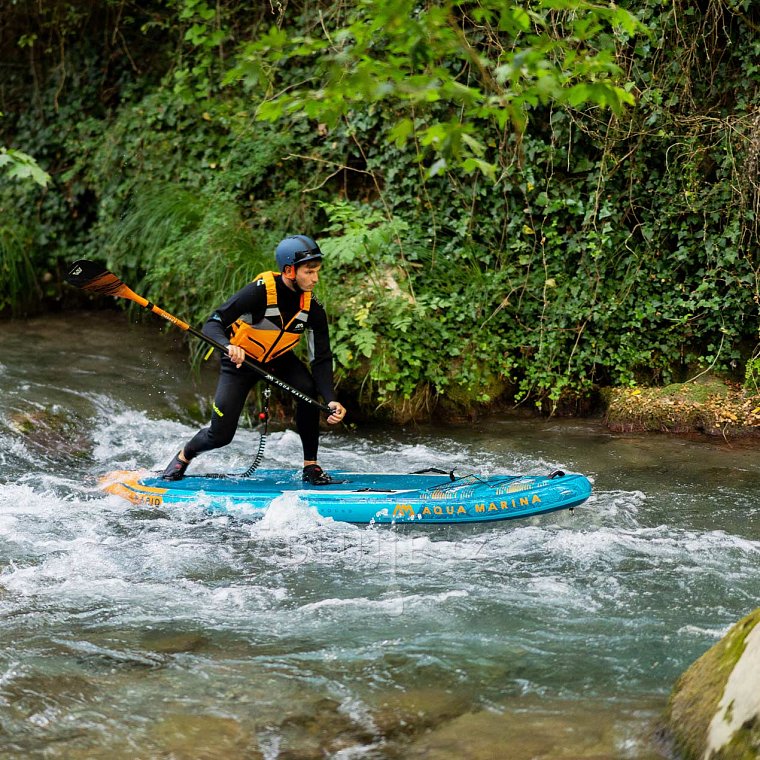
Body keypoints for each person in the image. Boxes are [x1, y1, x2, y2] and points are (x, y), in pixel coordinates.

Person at [161, 235, 346, 484]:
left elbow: (321, 359)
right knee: (221, 435)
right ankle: (184, 456)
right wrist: (228, 347)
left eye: (317, 271)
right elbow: (213, 323)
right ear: (289, 270)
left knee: (309, 392)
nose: (315, 279)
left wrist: (331, 399)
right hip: (241, 361)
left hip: (279, 359)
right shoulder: (258, 293)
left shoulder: (313, 309)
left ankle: (310, 466)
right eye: (309, 271)